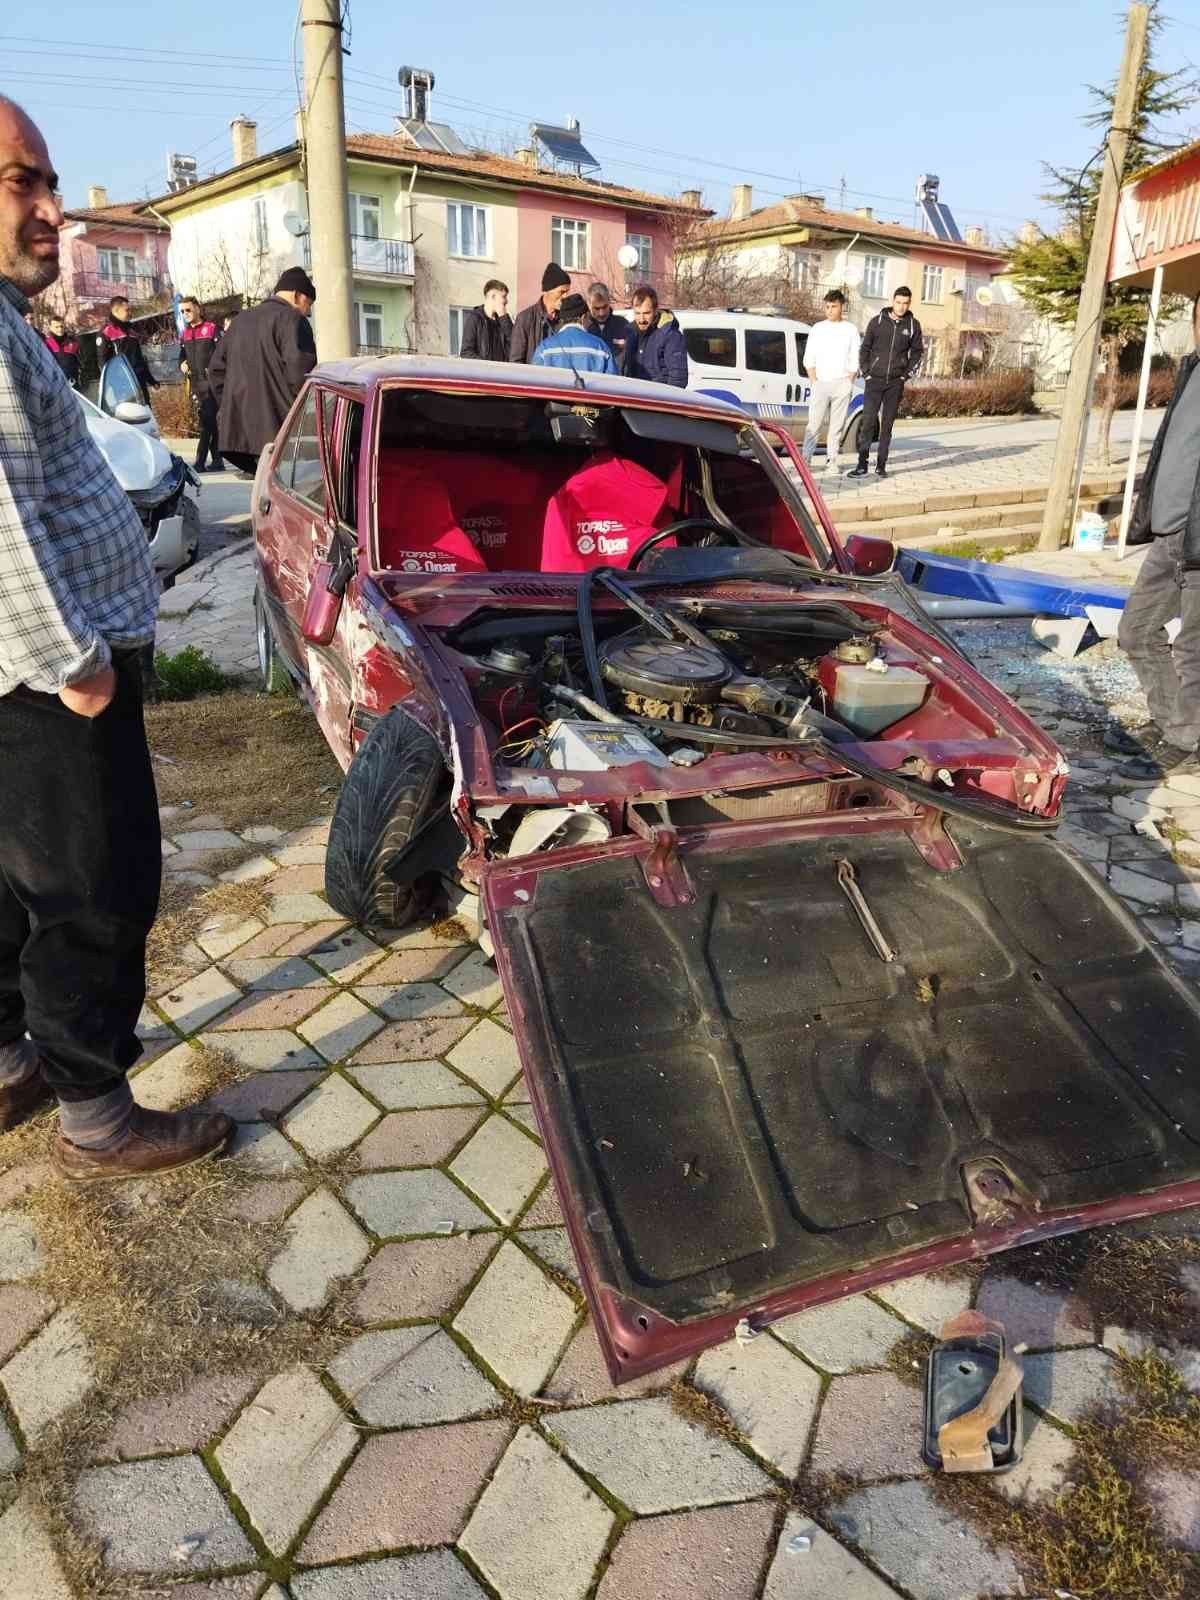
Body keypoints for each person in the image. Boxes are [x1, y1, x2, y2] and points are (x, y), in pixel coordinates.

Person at [0, 96, 233, 1176]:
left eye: (48, 182)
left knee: (15, 882)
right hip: (47, 676)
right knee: (95, 885)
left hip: (28, 672)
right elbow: (3, 523)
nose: (52, 208)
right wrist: (76, 663)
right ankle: (95, 1107)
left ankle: (14, 1060)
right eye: (22, 184)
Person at [1113, 292, 1200, 781]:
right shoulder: (1193, 369)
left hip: (1198, 542)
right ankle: (1174, 720)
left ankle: (1186, 737)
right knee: (1136, 632)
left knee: (1193, 646)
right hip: (1169, 534)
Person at [208, 267, 317, 476]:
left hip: (242, 431)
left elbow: (215, 371)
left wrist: (233, 406)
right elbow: (300, 377)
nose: (308, 312)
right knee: (286, 499)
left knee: (264, 496)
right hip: (281, 431)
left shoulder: (240, 320)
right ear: (297, 295)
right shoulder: (293, 320)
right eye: (308, 304)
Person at [848, 287, 923, 479]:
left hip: (895, 383)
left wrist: (905, 376)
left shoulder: (913, 325)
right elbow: (865, 348)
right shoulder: (877, 321)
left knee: (887, 425)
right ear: (893, 301)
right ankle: (862, 465)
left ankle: (881, 466)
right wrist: (866, 372)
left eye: (905, 303)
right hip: (874, 381)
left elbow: (917, 353)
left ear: (909, 303)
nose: (901, 306)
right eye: (898, 302)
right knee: (868, 423)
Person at [801, 289, 859, 478]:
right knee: (814, 423)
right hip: (821, 382)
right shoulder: (818, 328)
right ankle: (805, 459)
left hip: (842, 382)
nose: (830, 310)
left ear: (842, 306)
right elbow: (809, 356)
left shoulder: (850, 329)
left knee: (836, 426)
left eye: (834, 306)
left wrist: (849, 380)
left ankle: (832, 460)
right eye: (827, 306)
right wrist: (814, 380)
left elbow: (854, 356)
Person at [178, 295, 223, 472]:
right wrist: (181, 363)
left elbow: (223, 354)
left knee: (206, 423)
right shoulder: (185, 333)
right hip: (196, 385)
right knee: (210, 423)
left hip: (212, 385)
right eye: (182, 311)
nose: (185, 314)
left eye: (188, 310)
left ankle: (199, 461)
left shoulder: (212, 329)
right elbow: (182, 356)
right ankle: (218, 460)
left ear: (197, 308)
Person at [531, 293, 616, 377]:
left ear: (562, 319)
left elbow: (534, 380)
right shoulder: (600, 347)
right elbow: (613, 382)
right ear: (583, 317)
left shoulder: (544, 348)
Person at [624, 286, 688, 388]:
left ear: (656, 310)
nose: (641, 319)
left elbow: (678, 378)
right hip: (635, 397)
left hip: (659, 399)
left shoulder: (670, 335)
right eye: (637, 313)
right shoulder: (631, 332)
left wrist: (665, 402)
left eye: (646, 313)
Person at [97, 294, 158, 399]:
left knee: (146, 412)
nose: (130, 313)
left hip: (139, 382)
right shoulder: (106, 332)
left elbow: (139, 359)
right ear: (115, 311)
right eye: (127, 310)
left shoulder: (131, 330)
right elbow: (103, 363)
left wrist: (151, 380)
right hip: (123, 386)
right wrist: (113, 384)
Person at [509, 263, 571, 363]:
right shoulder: (525, 319)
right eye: (562, 292)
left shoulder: (567, 318)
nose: (565, 296)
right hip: (533, 377)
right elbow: (516, 361)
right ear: (547, 290)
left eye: (567, 292)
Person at [459, 279, 512, 362]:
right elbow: (466, 352)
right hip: (484, 373)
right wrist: (487, 367)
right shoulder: (475, 318)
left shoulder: (503, 321)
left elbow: (515, 345)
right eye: (504, 296)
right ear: (493, 296)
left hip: (503, 373)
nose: (506, 301)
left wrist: (504, 318)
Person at [585, 281, 631, 366]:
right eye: (597, 308)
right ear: (589, 304)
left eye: (604, 307)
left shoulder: (623, 325)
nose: (601, 313)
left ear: (609, 301)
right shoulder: (584, 328)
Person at [42, 311, 79, 385]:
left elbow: (79, 358)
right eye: (56, 327)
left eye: (62, 326)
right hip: (58, 383)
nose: (60, 329)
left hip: (75, 380)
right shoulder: (47, 343)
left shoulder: (72, 340)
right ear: (50, 327)